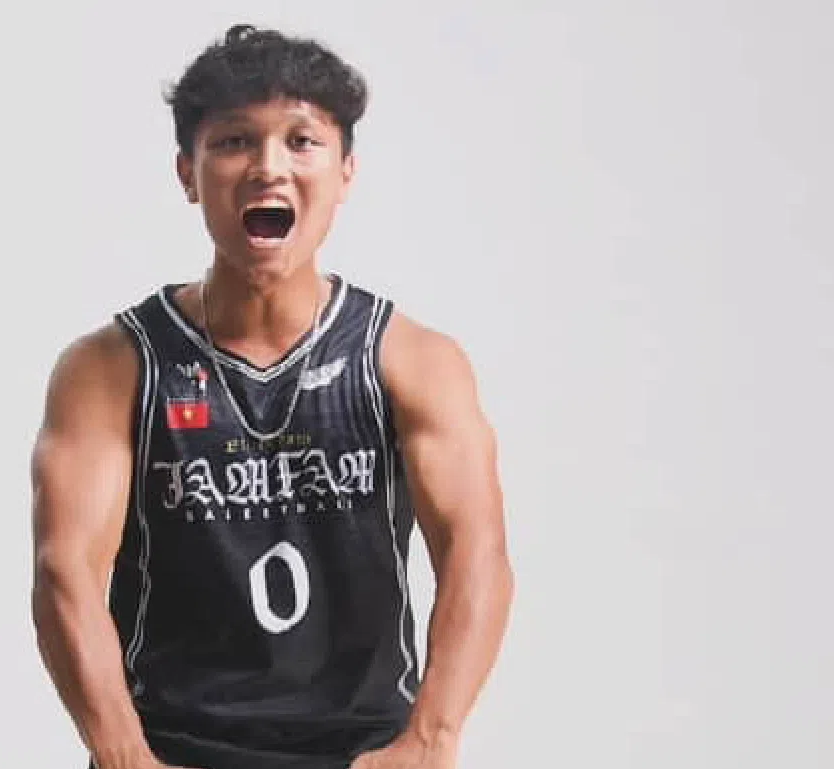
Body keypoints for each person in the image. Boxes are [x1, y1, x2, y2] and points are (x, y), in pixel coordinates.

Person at [29, 24, 516, 769]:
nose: (268, 167)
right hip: (174, 748)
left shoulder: (411, 360)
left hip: (359, 751)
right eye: (233, 141)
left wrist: (431, 738)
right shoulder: (113, 367)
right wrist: (124, 754)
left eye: (301, 141)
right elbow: (65, 570)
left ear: (346, 171)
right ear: (188, 173)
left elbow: (476, 551)